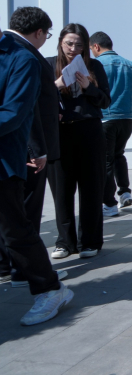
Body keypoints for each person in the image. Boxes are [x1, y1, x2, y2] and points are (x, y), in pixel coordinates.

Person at [0, 27, 74, 325]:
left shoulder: (21, 58)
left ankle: (49, 289)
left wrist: (37, 149)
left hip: (5, 162)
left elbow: (15, 113)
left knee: (15, 230)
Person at [0, 7, 61, 287]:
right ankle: (22, 272)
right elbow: (31, 110)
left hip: (16, 151)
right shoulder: (23, 55)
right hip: (24, 150)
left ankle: (36, 280)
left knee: (16, 222)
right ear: (39, 32)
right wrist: (38, 149)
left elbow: (23, 110)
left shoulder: (20, 56)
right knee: (19, 221)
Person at [47, 23, 111, 260]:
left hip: (90, 132)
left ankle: (90, 241)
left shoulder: (94, 66)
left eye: (79, 44)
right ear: (60, 43)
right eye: (69, 43)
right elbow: (38, 98)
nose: (73, 49)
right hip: (60, 133)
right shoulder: (48, 64)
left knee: (91, 188)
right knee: (61, 190)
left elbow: (106, 101)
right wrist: (56, 86)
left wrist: (88, 87)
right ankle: (65, 242)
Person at [89, 31, 132, 217]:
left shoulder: (96, 65)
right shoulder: (129, 64)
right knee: (119, 155)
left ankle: (110, 204)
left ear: (96, 46)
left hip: (105, 118)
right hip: (126, 119)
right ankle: (124, 192)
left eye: (91, 49)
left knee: (106, 161)